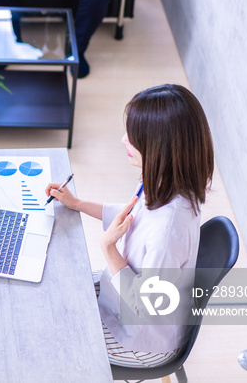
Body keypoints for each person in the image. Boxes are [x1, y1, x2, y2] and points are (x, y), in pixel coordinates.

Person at [46, 84, 214, 367]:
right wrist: (77, 204)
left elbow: (147, 306)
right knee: (57, 287)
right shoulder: (164, 182)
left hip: (140, 339)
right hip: (120, 296)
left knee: (55, 340)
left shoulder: (169, 230)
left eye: (133, 136)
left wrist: (108, 247)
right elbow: (128, 217)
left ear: (158, 148)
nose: (124, 139)